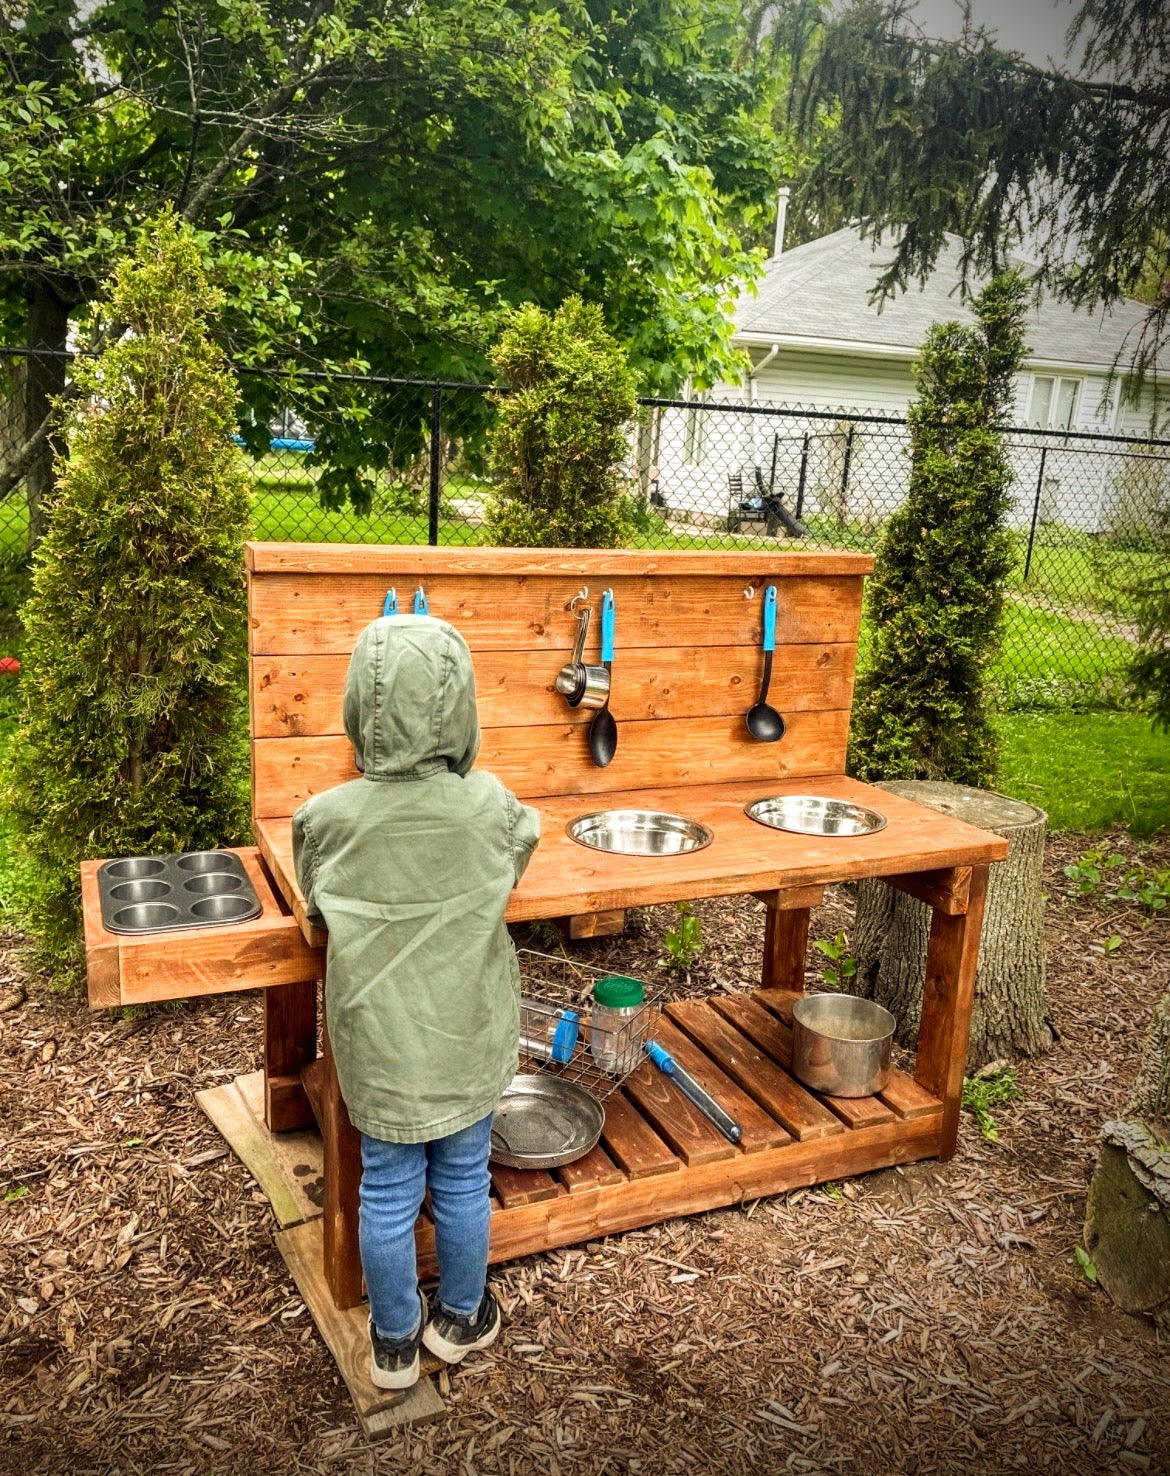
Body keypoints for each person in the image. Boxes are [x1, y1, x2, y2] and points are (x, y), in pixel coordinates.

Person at [292, 614, 541, 1390]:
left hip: (380, 1052)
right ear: (461, 708)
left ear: (359, 711)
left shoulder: (326, 821)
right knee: (465, 1180)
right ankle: (462, 1318)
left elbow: (317, 907)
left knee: (387, 1189)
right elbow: (522, 844)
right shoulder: (490, 806)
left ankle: (394, 1342)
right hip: (463, 1039)